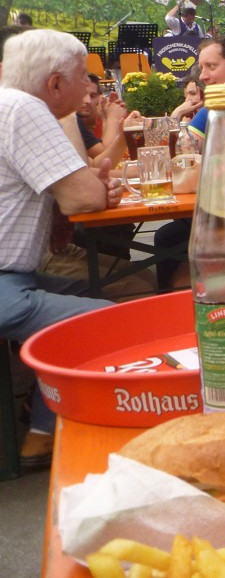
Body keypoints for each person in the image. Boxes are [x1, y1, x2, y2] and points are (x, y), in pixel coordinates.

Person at [0, 29, 121, 469]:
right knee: (105, 318)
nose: (88, 86)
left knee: (84, 296)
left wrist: (81, 192)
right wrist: (95, 187)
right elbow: (83, 199)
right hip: (5, 284)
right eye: (80, 76)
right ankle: (49, 437)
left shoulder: (8, 104)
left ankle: (40, 425)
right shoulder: (25, 108)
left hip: (14, 277)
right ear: (54, 83)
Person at [153, 34, 225, 290]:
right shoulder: (210, 108)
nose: (202, 76)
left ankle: (192, 302)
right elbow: (183, 156)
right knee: (168, 238)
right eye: (202, 68)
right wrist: (178, 114)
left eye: (211, 67)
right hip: (224, 209)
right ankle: (177, 310)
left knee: (173, 239)